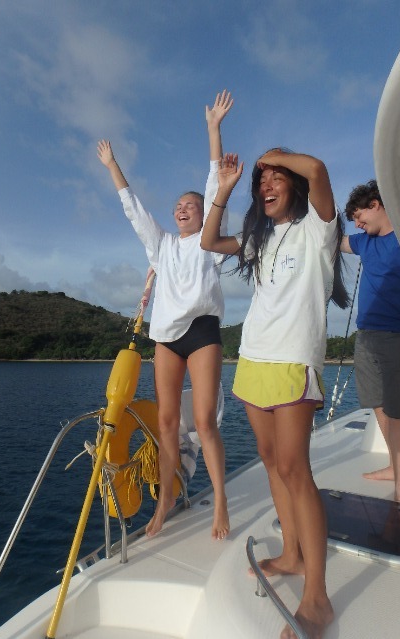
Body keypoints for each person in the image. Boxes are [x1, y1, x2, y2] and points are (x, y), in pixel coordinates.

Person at [201, 149, 350, 639]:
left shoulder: (317, 228)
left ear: (294, 185)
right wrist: (224, 190)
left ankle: (318, 598)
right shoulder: (258, 239)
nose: (265, 184)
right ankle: (291, 554)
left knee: (294, 468)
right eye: (260, 180)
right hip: (252, 360)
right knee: (270, 461)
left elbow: (319, 170)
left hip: (293, 362)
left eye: (275, 178)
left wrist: (274, 154)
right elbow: (208, 240)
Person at [97, 90, 233, 540]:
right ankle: (166, 501)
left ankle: (221, 503)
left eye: (190, 206)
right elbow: (133, 209)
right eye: (178, 206)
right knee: (168, 423)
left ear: (203, 214)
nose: (181, 209)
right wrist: (112, 165)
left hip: (203, 330)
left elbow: (214, 185)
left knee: (206, 420)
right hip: (167, 338)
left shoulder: (209, 241)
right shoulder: (162, 246)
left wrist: (213, 129)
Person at [341, 180, 400, 500]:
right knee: (378, 405)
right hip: (365, 336)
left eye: (358, 215)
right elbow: (334, 241)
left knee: (396, 409)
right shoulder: (364, 242)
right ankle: (395, 465)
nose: (357, 224)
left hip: (395, 335)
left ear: (375, 204)